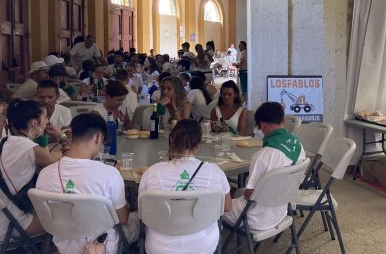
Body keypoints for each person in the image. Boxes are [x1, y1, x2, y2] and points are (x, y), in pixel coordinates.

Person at [36, 113, 139, 254]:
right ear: (98, 138)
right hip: (104, 242)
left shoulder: (45, 174)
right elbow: (122, 219)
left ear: (71, 135)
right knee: (137, 219)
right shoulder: (110, 174)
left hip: (63, 244)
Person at [139, 119, 232, 254]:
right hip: (203, 245)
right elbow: (227, 207)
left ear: (172, 140)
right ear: (199, 144)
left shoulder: (152, 172)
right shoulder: (215, 172)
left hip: (161, 247)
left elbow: (144, 211)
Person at [223, 102, 305, 230]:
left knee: (217, 204)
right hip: (280, 210)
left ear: (261, 125)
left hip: (254, 217)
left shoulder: (262, 156)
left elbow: (249, 195)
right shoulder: (298, 145)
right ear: (282, 120)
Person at [0, 100, 66, 243]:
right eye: (45, 117)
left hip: (6, 213)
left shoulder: (6, 141)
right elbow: (67, 167)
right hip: (11, 225)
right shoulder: (28, 148)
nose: (47, 121)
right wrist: (63, 137)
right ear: (34, 123)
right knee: (68, 218)